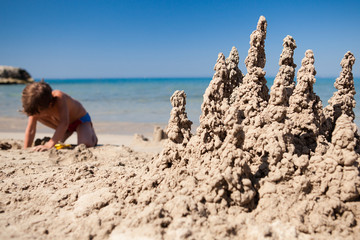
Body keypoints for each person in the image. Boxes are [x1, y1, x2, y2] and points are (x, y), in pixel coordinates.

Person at [22, 80, 97, 151]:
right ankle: (66, 132)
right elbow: (31, 129)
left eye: (37, 112)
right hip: (64, 125)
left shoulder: (59, 97)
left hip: (80, 120)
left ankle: (92, 134)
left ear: (50, 104)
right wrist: (26, 148)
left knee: (85, 144)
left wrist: (49, 144)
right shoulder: (36, 107)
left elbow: (64, 123)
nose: (34, 115)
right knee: (35, 115)